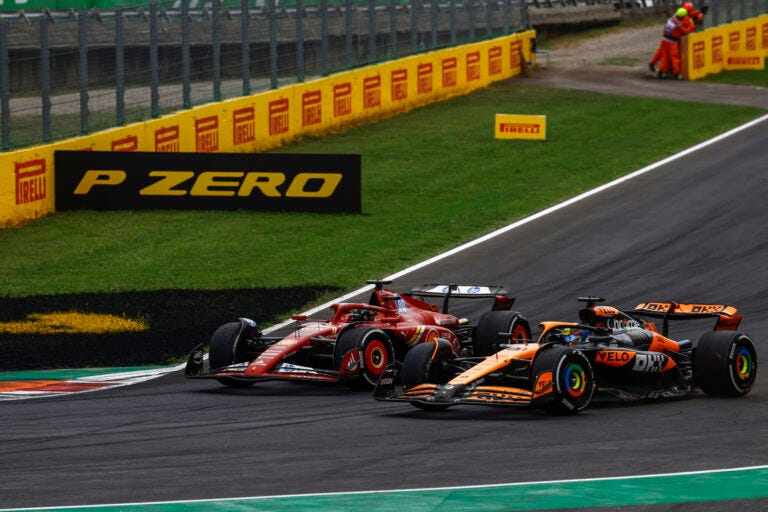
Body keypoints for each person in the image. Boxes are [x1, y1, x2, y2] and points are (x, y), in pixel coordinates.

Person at [648, 7, 699, 79]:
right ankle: (676, 74)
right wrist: (694, 25)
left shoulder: (673, 17)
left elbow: (684, 20)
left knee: (664, 57)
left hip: (664, 40)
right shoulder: (678, 25)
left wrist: (692, 19)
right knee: (675, 57)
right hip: (671, 42)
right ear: (682, 17)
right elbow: (685, 31)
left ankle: (661, 72)